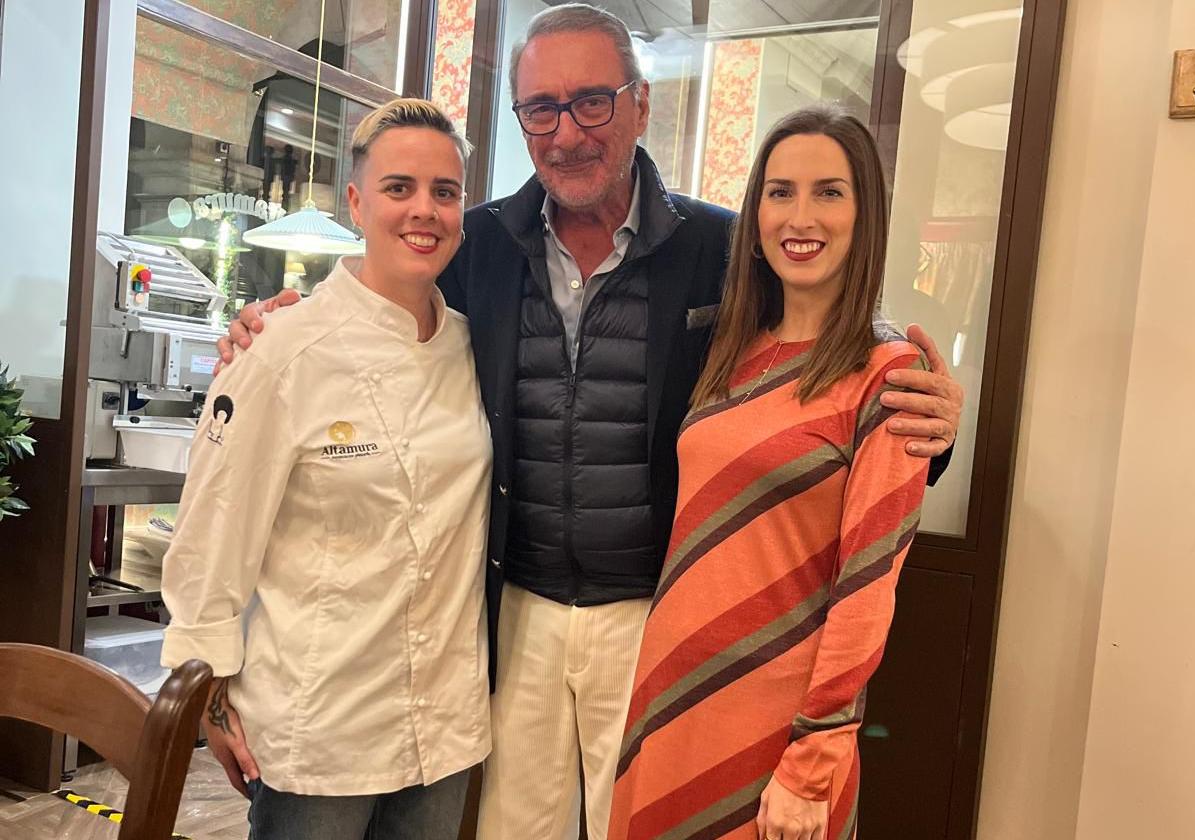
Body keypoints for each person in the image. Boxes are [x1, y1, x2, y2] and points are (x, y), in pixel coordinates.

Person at [216, 6, 964, 838]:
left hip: (654, 616)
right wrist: (274, 322)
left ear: (640, 106)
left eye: (592, 102)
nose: (567, 132)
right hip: (514, 610)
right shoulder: (481, 245)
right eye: (541, 108)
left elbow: (820, 341)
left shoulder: (720, 246)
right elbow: (386, 300)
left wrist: (922, 407)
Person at [160, 98, 492, 840]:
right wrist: (210, 692)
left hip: (444, 727)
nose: (424, 211)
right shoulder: (281, 349)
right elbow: (212, 532)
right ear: (355, 200)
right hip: (317, 729)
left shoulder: (476, 349)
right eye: (399, 187)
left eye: (445, 192)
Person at [607, 106, 926, 840]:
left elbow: (867, 591)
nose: (799, 216)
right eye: (779, 192)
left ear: (865, 214)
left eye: (829, 192)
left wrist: (815, 754)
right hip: (670, 699)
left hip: (778, 724)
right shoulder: (732, 352)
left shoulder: (888, 376)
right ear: (753, 216)